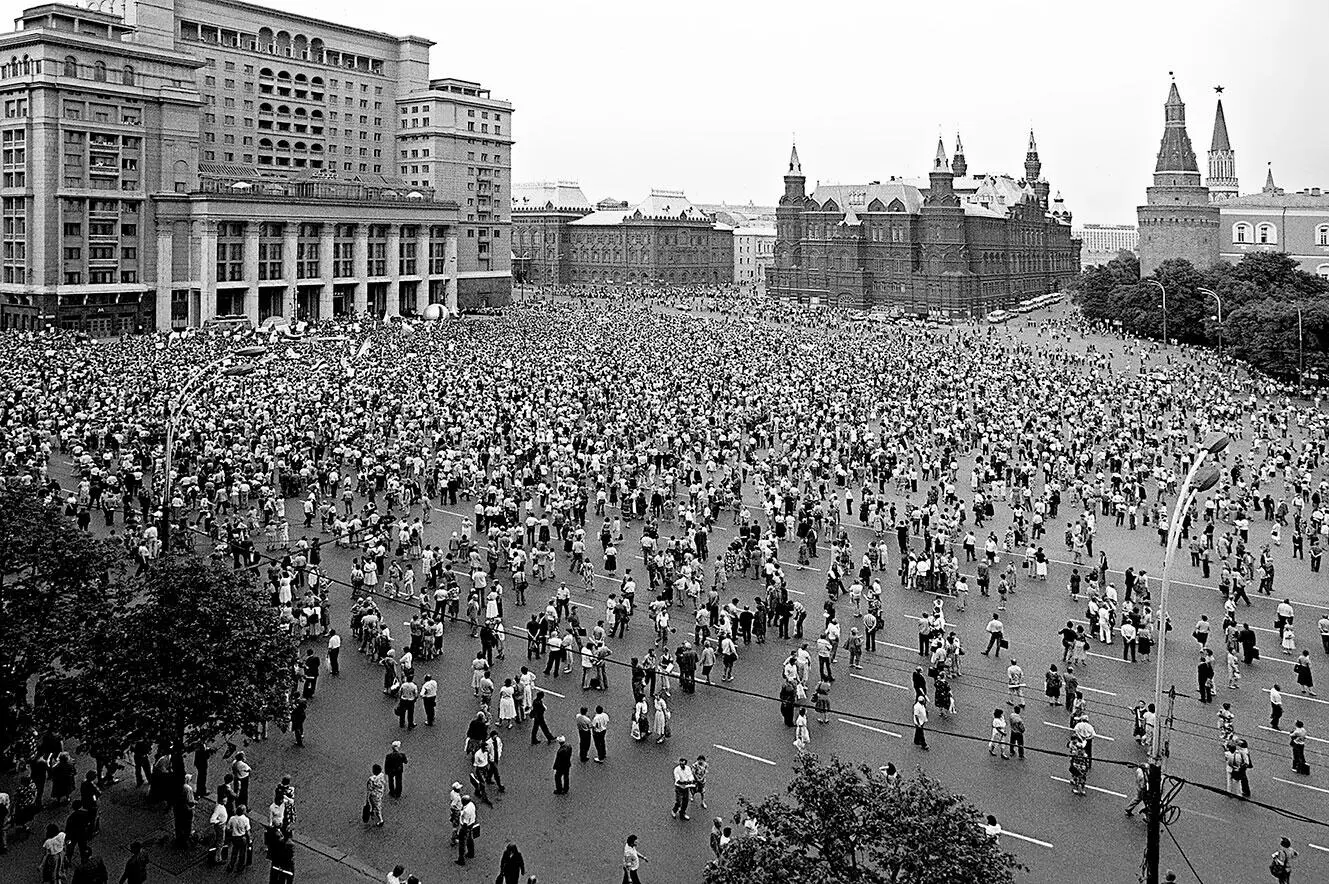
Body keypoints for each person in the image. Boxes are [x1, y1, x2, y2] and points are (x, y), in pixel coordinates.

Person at [455, 794, 477, 865]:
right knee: (470, 838)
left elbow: (465, 822)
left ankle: (461, 860)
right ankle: (471, 853)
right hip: (472, 824)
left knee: (462, 843)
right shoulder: (471, 804)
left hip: (466, 826)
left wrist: (462, 831)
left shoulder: (466, 811)